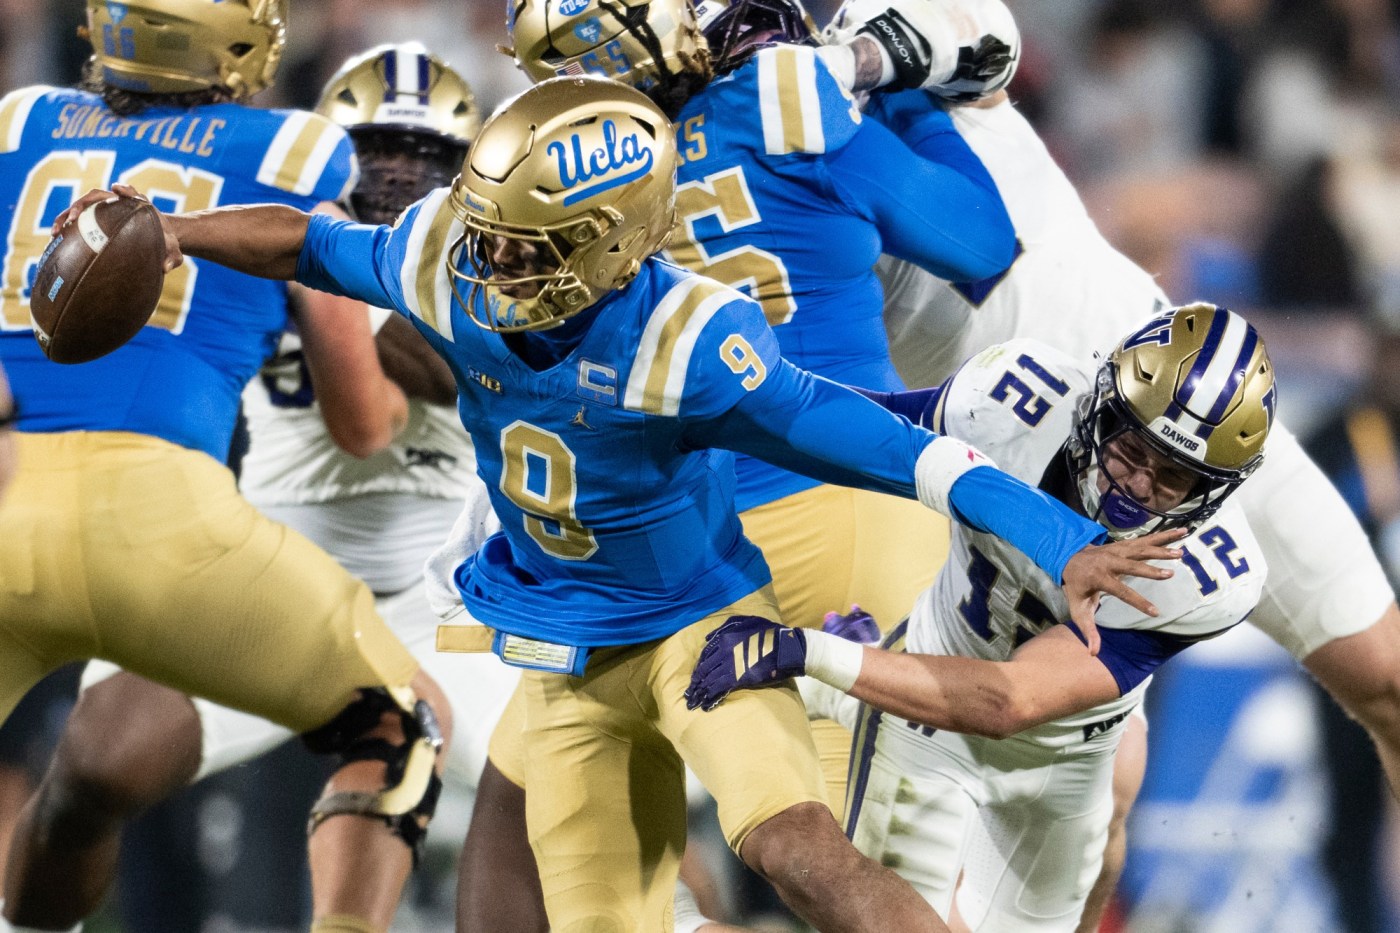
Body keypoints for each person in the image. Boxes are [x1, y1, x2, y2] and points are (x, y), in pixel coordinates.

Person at [68, 74, 1188, 933]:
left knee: (794, 850)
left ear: (609, 247)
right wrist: (174, 233)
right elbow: (309, 242)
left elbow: (895, 450)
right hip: (565, 655)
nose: (489, 263)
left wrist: (1058, 536)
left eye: (525, 249)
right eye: (489, 232)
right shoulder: (451, 263)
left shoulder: (685, 347)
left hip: (697, 633)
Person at [868, 82, 1400, 927]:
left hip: (1186, 425)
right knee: (1089, 794)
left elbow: (982, 38)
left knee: (1390, 676)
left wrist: (868, 56)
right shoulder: (792, 192)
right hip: (1032, 452)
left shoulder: (874, 79)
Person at [0, 4, 453, 932]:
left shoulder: (20, 121)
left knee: (77, 778)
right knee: (404, 722)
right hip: (166, 526)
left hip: (10, 503)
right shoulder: (294, 150)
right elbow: (361, 423)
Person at [688, 302, 1276, 931]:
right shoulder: (1013, 404)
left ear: (1214, 490)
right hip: (929, 708)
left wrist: (815, 654)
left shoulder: (1210, 573)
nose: (1137, 486)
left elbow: (1010, 701)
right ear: (1100, 408)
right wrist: (739, 412)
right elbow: (875, 435)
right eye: (1132, 450)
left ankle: (856, 681)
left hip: (1065, 750)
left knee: (1112, 802)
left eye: (1174, 477)